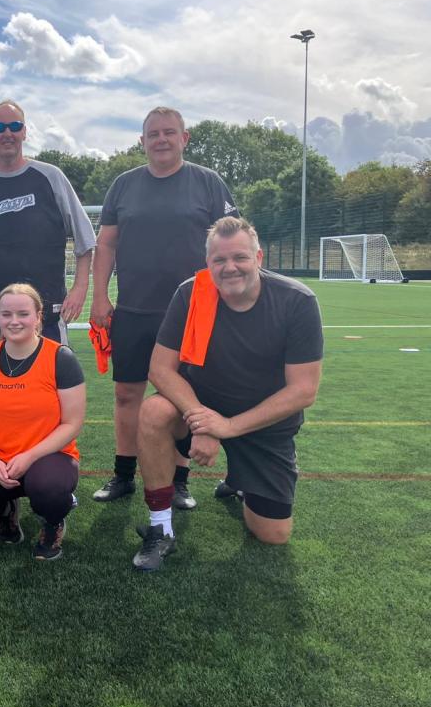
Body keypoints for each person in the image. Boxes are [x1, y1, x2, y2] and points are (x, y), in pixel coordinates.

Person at [132, 217, 323, 572]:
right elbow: (160, 369)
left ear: (259, 257)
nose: (229, 267)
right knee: (153, 412)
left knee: (273, 534)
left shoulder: (296, 301)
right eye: (219, 260)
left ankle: (239, 481)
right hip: (201, 411)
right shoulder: (192, 293)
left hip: (263, 426)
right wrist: (204, 424)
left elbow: (303, 390)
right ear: (208, 264)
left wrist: (230, 427)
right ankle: (160, 526)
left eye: (240, 258)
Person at [90, 106, 239, 510]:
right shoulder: (123, 186)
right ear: (141, 142)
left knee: (182, 396)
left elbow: (230, 240)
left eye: (169, 132)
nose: (161, 139)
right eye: (153, 134)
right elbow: (106, 244)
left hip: (194, 311)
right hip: (134, 308)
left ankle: (178, 481)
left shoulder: (208, 183)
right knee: (126, 394)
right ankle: (123, 474)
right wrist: (100, 296)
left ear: (184, 138)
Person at [0, 284, 85, 561]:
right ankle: (6, 511)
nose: (14, 321)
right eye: (6, 314)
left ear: (38, 317)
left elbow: (72, 423)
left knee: (48, 489)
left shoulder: (60, 358)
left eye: (23, 314)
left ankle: (53, 522)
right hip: (1, 457)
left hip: (49, 457)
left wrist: (30, 456)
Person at [0, 99, 96, 350]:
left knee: (51, 386)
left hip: (45, 315)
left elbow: (85, 238)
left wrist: (79, 289)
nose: (8, 133)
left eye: (15, 126)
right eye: (0, 127)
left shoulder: (51, 177)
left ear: (24, 131)